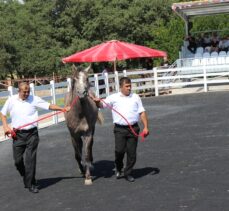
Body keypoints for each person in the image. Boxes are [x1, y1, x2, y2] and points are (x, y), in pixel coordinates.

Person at [0, 82, 70, 193]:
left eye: (28, 91)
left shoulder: (34, 99)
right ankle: (26, 176)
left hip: (32, 134)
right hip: (17, 135)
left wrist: (62, 109)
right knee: (17, 161)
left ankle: (31, 183)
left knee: (30, 160)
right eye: (24, 92)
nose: (27, 93)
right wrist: (5, 126)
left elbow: (49, 106)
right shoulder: (11, 100)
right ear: (19, 91)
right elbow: (2, 114)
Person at [91, 77, 149, 182]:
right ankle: (118, 167)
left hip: (133, 129)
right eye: (127, 86)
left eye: (130, 86)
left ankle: (128, 172)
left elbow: (142, 112)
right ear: (121, 87)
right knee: (119, 151)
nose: (129, 88)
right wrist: (97, 102)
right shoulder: (114, 97)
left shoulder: (135, 97)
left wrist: (146, 127)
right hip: (119, 129)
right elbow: (102, 105)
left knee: (132, 154)